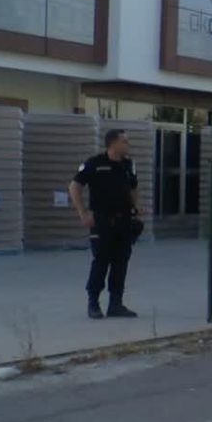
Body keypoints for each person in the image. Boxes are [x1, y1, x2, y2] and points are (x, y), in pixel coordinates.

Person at [69, 129, 141, 319]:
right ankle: (93, 303)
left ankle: (116, 304)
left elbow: (133, 188)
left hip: (124, 220)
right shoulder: (95, 163)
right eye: (124, 141)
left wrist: (136, 209)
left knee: (121, 262)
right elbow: (74, 186)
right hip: (102, 220)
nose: (128, 145)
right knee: (101, 261)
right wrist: (83, 213)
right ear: (113, 144)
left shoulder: (128, 164)